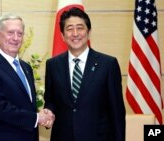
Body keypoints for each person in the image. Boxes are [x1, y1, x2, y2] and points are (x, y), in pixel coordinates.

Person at [43, 7, 126, 141]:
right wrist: (48, 111)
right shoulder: (52, 65)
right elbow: (51, 100)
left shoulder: (108, 64)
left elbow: (117, 112)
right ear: (62, 36)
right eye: (69, 29)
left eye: (80, 28)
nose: (75, 33)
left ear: (88, 32)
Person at [0, 13, 54, 141]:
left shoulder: (26, 67)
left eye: (20, 33)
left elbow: (27, 105)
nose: (16, 38)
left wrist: (45, 115)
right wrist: (37, 118)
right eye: (10, 32)